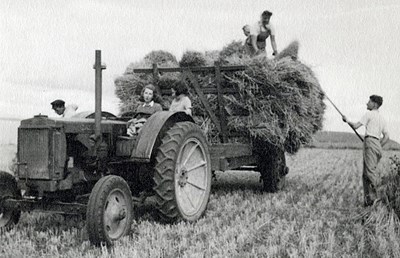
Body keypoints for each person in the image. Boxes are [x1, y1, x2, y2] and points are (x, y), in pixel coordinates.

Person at [342, 95, 390, 207]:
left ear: (375, 104)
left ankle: (378, 201)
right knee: (366, 174)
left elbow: (355, 126)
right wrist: (378, 145)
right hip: (376, 144)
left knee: (370, 173)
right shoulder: (382, 118)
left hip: (370, 143)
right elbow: (387, 136)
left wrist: (346, 120)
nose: (367, 103)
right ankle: (368, 202)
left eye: (369, 101)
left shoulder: (369, 114)